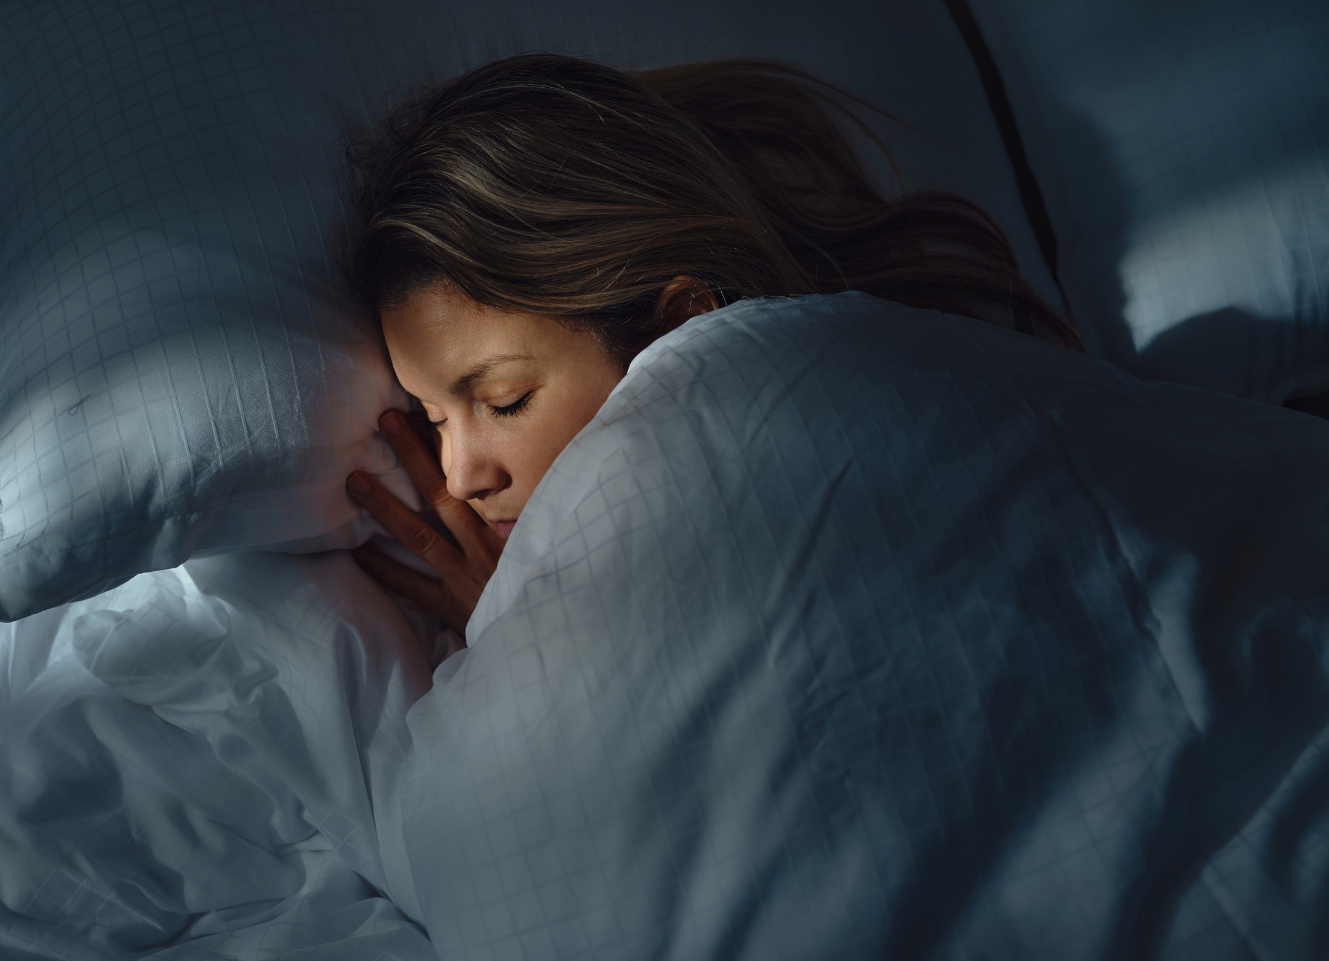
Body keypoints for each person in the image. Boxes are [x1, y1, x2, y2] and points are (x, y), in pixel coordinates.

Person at [336, 53, 1077, 635]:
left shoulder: (905, 406)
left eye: (506, 401)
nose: (459, 477)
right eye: (431, 417)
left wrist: (518, 640)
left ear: (678, 325)